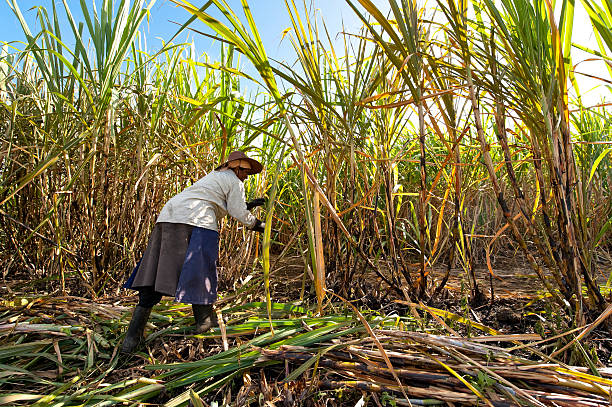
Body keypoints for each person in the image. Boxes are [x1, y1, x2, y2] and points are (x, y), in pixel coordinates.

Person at [121, 150, 266, 354]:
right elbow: (238, 213)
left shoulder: (214, 177)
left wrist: (246, 204)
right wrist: (258, 225)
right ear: (236, 167)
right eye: (245, 172)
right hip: (197, 223)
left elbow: (219, 203)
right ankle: (205, 323)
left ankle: (131, 340)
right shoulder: (234, 181)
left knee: (157, 271)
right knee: (201, 271)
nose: (245, 177)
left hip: (168, 218)